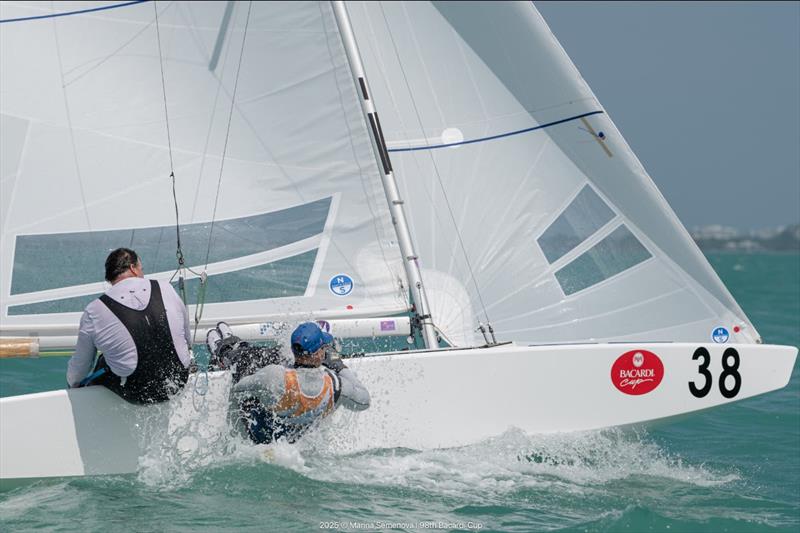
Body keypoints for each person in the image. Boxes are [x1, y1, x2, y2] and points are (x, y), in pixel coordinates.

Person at [208, 321, 370, 444]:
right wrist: (339, 366)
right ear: (320, 354)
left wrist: (236, 434)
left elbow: (237, 390)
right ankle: (236, 347)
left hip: (258, 439)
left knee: (247, 362)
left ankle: (226, 350)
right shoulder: (336, 386)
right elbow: (364, 401)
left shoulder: (274, 376)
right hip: (294, 445)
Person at [66, 248, 192, 404]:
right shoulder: (166, 287)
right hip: (178, 381)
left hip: (136, 392)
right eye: (142, 269)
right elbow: (187, 338)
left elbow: (80, 366)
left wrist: (73, 385)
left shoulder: (94, 310)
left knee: (102, 361)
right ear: (133, 268)